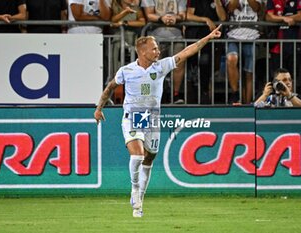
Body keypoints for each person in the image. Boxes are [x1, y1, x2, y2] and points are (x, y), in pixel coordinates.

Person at [94, 25, 222, 217]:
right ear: (142, 51)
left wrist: (209, 37)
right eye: (154, 48)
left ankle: (139, 204)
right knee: (137, 156)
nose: (158, 51)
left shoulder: (161, 67)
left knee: (149, 158)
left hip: (152, 118)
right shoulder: (126, 70)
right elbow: (110, 87)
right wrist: (98, 108)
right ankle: (135, 189)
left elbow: (187, 51)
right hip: (133, 116)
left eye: (157, 48)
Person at [141, 0, 187, 104]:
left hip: (177, 37)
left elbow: (182, 15)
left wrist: (176, 18)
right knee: (154, 67)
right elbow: (149, 15)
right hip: (155, 39)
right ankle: (153, 94)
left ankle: (176, 94)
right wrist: (161, 18)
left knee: (178, 64)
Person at [186, 0, 227, 104]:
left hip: (210, 41)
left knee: (206, 68)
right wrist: (205, 19)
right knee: (193, 69)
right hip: (194, 37)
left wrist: (217, 2)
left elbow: (223, 18)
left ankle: (205, 96)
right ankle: (192, 98)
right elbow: (188, 15)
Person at [225, 0, 262, 104]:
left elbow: (257, 8)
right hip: (233, 36)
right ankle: (236, 94)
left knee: (249, 73)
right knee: (231, 59)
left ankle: (247, 104)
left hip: (252, 36)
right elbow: (231, 8)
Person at [265, 0, 301, 80]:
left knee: (292, 77)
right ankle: (279, 93)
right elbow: (269, 17)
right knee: (278, 77)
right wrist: (284, 18)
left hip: (294, 44)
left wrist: (279, 18)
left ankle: (291, 92)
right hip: (277, 46)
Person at [110, 0, 146, 74]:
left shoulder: (136, 8)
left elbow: (142, 22)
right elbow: (112, 21)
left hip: (133, 40)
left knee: (132, 67)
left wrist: (125, 23)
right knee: (117, 67)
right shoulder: (114, 7)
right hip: (118, 40)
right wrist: (125, 12)